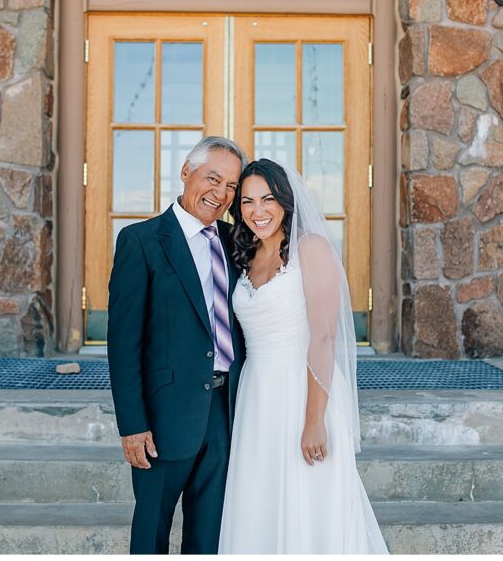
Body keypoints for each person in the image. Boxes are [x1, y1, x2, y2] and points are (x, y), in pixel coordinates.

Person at [218, 158, 388, 554]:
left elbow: (325, 336)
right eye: (247, 202)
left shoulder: (311, 249)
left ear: (286, 200)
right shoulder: (244, 256)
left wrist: (314, 421)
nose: (258, 211)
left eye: (267, 199)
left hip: (304, 391)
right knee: (258, 501)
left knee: (310, 499)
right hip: (256, 397)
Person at [108, 136, 247, 554]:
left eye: (231, 186)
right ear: (186, 172)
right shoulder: (141, 241)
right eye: (212, 179)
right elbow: (123, 342)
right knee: (151, 531)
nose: (220, 194)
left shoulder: (235, 242)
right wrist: (132, 425)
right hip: (164, 416)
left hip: (225, 413)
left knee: (210, 536)